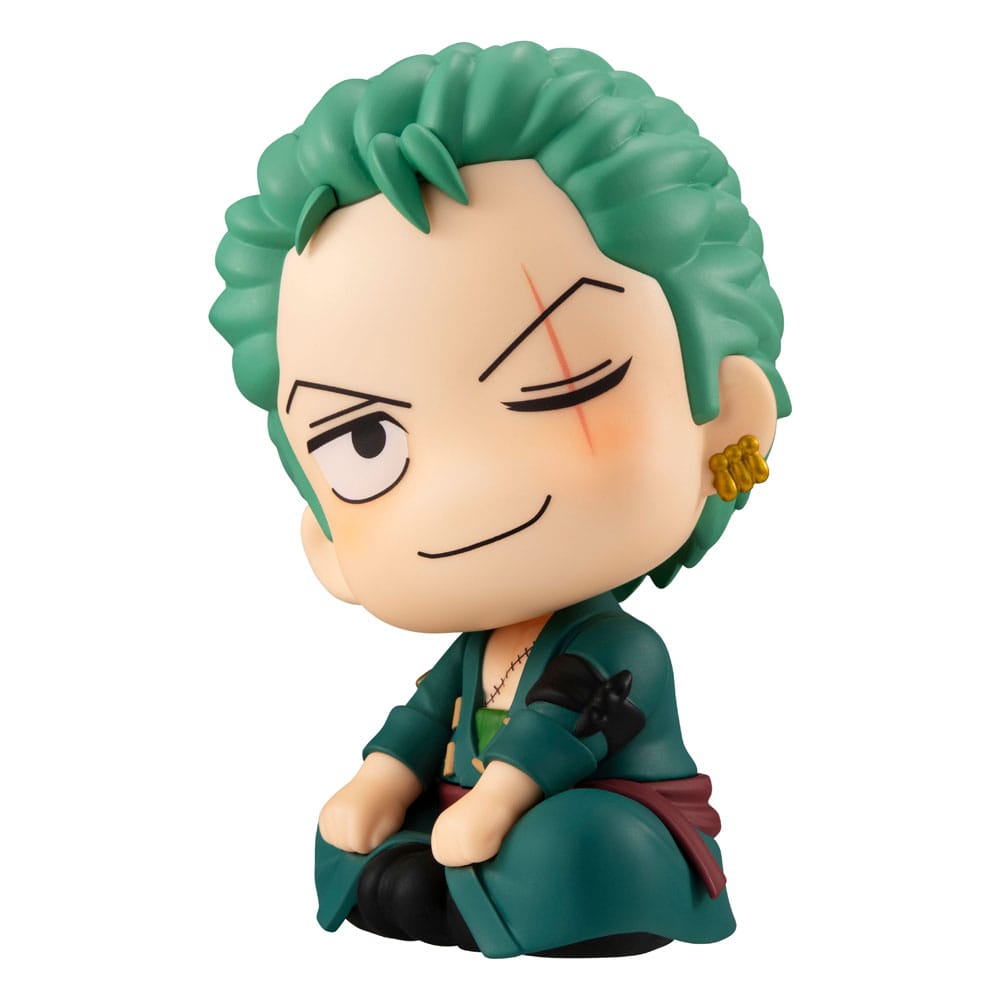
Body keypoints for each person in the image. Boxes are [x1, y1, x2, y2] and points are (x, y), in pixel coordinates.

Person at [210, 41, 789, 958]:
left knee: (577, 844)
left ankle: (491, 897)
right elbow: (421, 722)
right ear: (326, 538)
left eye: (561, 388)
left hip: (597, 811)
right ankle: (459, 897)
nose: (467, 487)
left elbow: (564, 733)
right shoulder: (473, 651)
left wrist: (497, 804)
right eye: (366, 446)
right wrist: (376, 780)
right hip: (466, 812)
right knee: (345, 834)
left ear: (723, 424)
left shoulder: (622, 648)